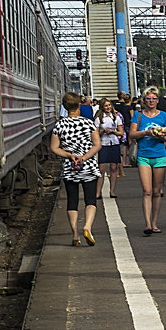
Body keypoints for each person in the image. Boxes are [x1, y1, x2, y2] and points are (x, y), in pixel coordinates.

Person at [50, 92, 101, 247]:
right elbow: (97, 144)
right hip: (88, 166)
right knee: (90, 200)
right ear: (79, 105)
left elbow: (54, 148)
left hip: (69, 167)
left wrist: (69, 155)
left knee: (72, 201)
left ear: (65, 107)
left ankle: (75, 235)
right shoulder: (88, 123)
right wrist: (84, 157)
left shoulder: (59, 125)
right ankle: (87, 227)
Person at [129, 86, 166, 235]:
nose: (151, 101)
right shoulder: (138, 116)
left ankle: (154, 223)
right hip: (144, 155)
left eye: (154, 98)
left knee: (156, 191)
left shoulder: (164, 116)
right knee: (147, 191)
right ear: (144, 100)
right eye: (148, 98)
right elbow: (132, 134)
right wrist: (146, 132)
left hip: (159, 155)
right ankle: (147, 223)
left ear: (158, 100)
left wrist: (160, 135)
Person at [93, 98, 124, 199]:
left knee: (114, 168)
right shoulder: (98, 119)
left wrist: (113, 131)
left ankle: (112, 191)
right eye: (106, 106)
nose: (108, 107)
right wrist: (103, 131)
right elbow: (95, 133)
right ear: (102, 107)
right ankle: (98, 192)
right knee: (101, 168)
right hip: (103, 144)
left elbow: (121, 132)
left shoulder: (116, 117)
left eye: (109, 105)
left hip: (114, 143)